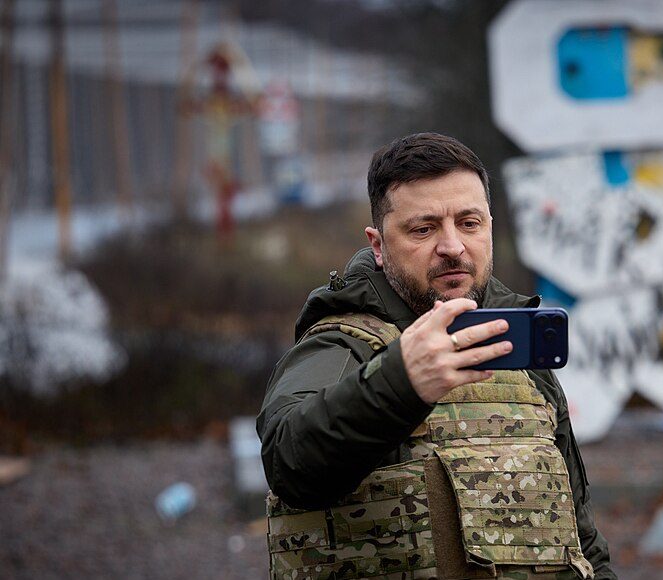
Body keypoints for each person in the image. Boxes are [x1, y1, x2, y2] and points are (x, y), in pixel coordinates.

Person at [258, 132, 615, 579]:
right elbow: (289, 460)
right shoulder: (341, 343)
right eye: (424, 229)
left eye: (469, 223)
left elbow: (580, 538)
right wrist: (402, 382)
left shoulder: (516, 351)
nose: (452, 247)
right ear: (378, 246)